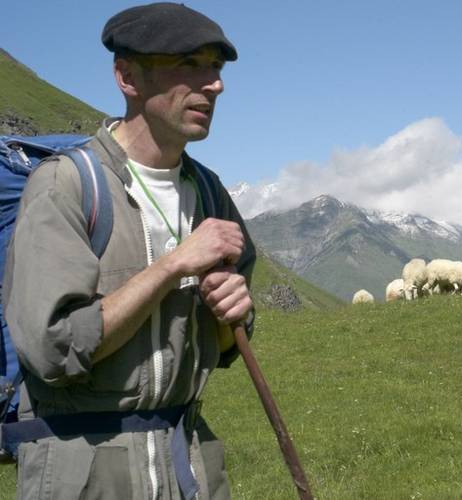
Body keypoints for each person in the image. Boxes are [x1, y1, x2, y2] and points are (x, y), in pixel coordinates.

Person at [2, 3, 255, 498]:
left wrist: (231, 316)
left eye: (217, 68)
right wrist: (174, 264)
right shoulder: (65, 185)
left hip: (188, 466)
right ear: (127, 76)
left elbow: (227, 347)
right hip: (86, 471)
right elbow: (54, 349)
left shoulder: (210, 194)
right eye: (190, 64)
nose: (214, 84)